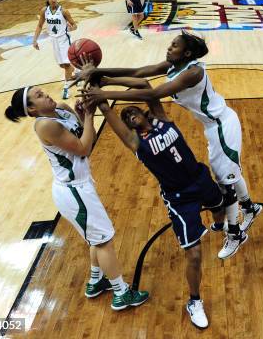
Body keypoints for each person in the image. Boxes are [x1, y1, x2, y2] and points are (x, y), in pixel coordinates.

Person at [75, 32, 262, 251]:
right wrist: (99, 74)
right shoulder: (175, 65)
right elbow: (139, 73)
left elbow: (152, 94)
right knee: (228, 173)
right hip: (211, 127)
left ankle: (235, 233)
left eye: (174, 46)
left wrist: (101, 95)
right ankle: (250, 207)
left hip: (222, 125)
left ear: (187, 53)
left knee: (225, 180)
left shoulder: (193, 72)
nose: (169, 48)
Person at [89, 75, 230, 329]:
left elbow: (144, 86)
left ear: (144, 111)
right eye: (126, 117)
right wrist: (99, 93)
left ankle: (221, 228)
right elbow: (107, 110)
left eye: (133, 110)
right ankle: (194, 301)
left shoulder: (162, 117)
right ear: (130, 127)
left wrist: (109, 80)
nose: (129, 114)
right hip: (178, 197)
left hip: (200, 176)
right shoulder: (135, 142)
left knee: (219, 208)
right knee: (194, 254)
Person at [4, 86, 149, 311]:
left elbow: (81, 132)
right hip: (73, 191)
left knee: (96, 238)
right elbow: (83, 148)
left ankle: (95, 281)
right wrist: (91, 115)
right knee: (104, 241)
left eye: (43, 91)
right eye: (39, 96)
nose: (47, 95)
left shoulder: (61, 110)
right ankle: (121, 293)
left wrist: (81, 114)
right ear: (32, 109)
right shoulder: (45, 125)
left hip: (81, 187)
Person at [32, 0, 78, 100]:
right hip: (53, 40)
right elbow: (39, 25)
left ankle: (66, 88)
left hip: (64, 39)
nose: (53, 0)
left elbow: (75, 25)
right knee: (62, 65)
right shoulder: (44, 11)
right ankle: (78, 73)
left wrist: (72, 28)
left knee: (66, 65)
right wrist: (35, 40)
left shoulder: (64, 11)